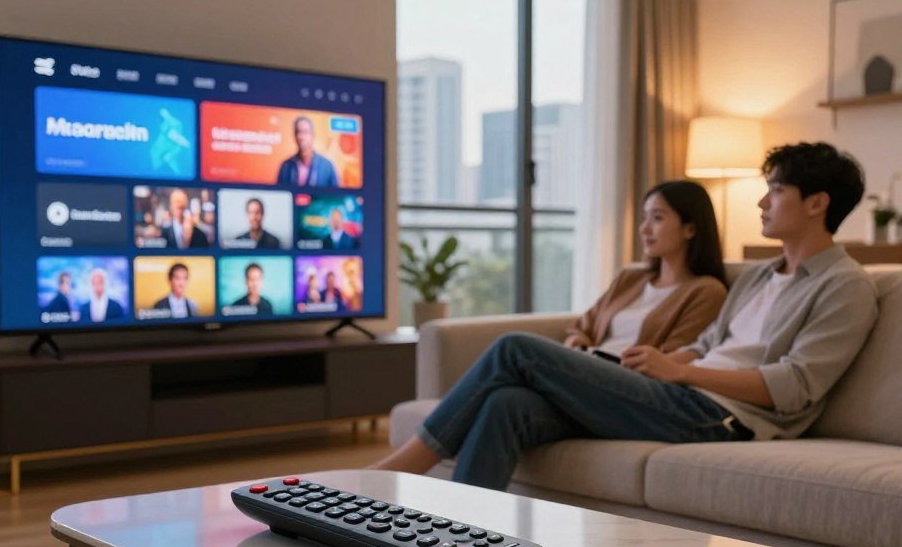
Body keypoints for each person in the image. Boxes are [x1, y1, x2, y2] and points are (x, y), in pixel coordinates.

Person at [373, 146, 879, 491]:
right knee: (507, 403)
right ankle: (457, 543)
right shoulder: (758, 276)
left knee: (516, 348)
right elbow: (704, 344)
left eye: (776, 191)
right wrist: (657, 363)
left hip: (722, 418)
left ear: (817, 203)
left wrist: (681, 372)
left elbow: (793, 387)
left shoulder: (846, 286)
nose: (762, 202)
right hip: (682, 395)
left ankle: (397, 475)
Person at [276, 117, 339, 187]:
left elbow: (336, 196)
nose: (301, 137)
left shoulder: (327, 166)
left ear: (312, 136)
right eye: (298, 132)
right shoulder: (286, 166)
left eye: (305, 132)